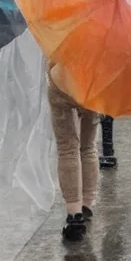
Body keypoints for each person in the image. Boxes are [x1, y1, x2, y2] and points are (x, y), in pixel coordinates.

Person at [48, 62, 100, 242]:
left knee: (67, 148)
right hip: (93, 80)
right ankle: (87, 201)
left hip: (60, 79)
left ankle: (74, 214)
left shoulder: (56, 31)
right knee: (88, 146)